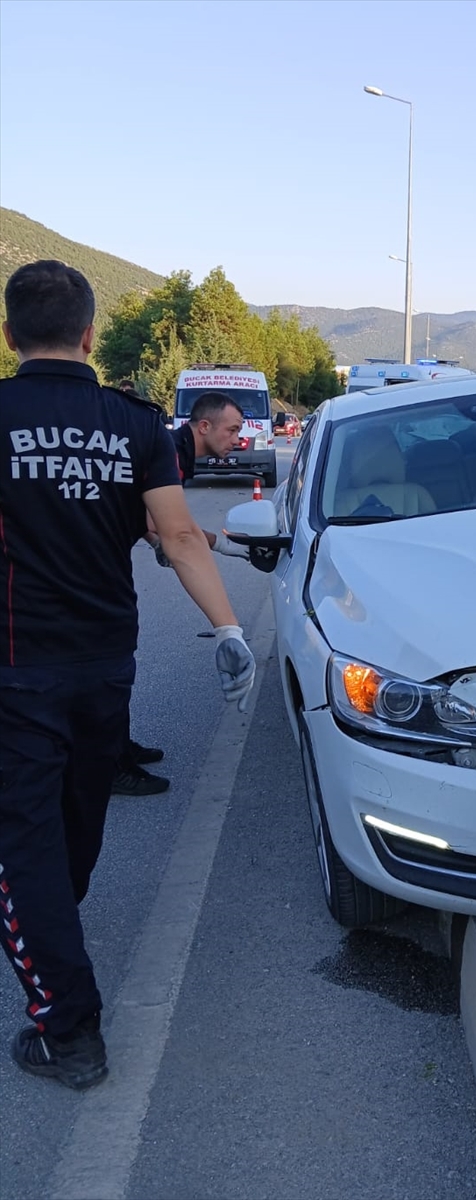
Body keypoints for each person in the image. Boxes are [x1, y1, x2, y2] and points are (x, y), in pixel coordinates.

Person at [0, 260, 256, 1090]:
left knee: (24, 843)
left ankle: (69, 1029)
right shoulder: (135, 422)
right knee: (75, 815)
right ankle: (51, 923)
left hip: (16, 666)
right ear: (87, 334)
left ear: (9, 337)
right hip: (107, 661)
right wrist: (228, 627)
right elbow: (179, 537)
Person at [111, 389, 251, 796]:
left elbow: (145, 514)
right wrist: (225, 545)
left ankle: (119, 746)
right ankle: (113, 762)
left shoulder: (178, 450)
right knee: (113, 660)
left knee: (117, 658)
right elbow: (175, 528)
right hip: (102, 561)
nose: (236, 439)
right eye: (232, 430)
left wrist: (158, 538)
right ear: (203, 426)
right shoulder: (170, 450)